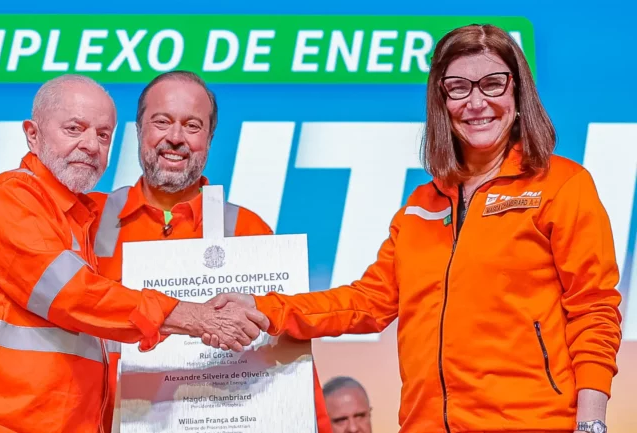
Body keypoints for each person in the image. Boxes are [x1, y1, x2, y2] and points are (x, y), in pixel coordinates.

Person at [205, 24, 623, 433]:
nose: (476, 102)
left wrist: (590, 422)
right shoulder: (421, 206)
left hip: (532, 424)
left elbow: (594, 310)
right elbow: (366, 303)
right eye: (458, 87)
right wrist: (265, 309)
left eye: (492, 83)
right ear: (441, 100)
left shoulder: (561, 185)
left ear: (517, 91)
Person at [0, 74, 268, 433]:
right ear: (33, 134)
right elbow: (74, 295)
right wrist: (196, 318)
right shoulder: (10, 198)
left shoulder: (82, 220)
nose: (90, 145)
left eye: (103, 135)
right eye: (74, 129)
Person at [88, 70, 332, 433]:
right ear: (138, 130)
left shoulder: (248, 230)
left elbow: (288, 357)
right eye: (162, 121)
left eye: (192, 126)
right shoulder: (88, 221)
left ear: (210, 138)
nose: (175, 138)